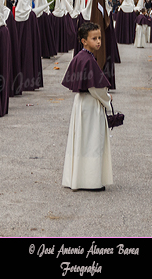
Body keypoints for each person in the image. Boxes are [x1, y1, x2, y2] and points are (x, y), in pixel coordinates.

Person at [61, 22, 113, 191]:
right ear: (84, 41)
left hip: (81, 103)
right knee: (92, 141)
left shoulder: (80, 58)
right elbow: (95, 87)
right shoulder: (88, 60)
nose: (98, 41)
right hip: (90, 105)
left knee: (81, 140)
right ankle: (90, 180)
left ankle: (77, 178)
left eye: (99, 38)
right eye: (94, 38)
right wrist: (107, 98)